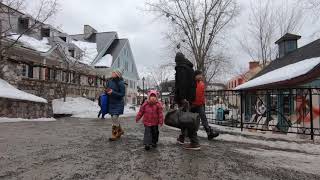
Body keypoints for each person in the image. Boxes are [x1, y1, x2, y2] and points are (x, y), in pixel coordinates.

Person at [174, 52, 200, 150]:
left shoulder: (182, 68)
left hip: (185, 98)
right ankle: (182, 138)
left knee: (188, 120)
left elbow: (182, 84)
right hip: (189, 97)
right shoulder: (189, 68)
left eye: (176, 61)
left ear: (177, 60)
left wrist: (183, 98)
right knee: (184, 118)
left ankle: (194, 142)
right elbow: (193, 85)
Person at [191, 70, 219, 140]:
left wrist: (203, 103)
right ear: (195, 75)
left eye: (201, 75)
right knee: (192, 120)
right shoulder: (191, 83)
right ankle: (190, 133)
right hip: (192, 105)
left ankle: (209, 133)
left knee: (204, 119)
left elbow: (202, 95)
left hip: (200, 104)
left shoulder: (202, 84)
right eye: (199, 75)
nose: (201, 76)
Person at [106, 68, 126, 141]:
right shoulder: (109, 81)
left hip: (118, 103)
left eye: (114, 72)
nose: (112, 73)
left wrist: (112, 92)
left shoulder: (121, 83)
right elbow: (107, 89)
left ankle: (114, 134)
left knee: (114, 118)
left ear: (117, 74)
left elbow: (122, 94)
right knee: (114, 119)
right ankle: (120, 131)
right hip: (111, 102)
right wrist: (107, 92)